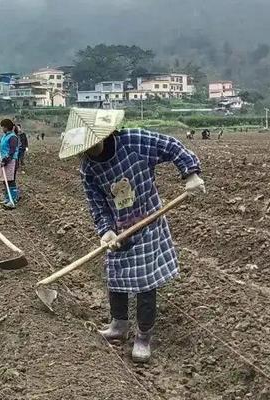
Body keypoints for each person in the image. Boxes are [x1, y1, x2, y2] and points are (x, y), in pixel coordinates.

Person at [58, 109, 205, 363]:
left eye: (91, 145)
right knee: (115, 275)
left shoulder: (133, 141)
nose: (88, 151)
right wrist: (106, 230)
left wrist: (190, 174)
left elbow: (171, 146)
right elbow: (96, 204)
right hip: (119, 227)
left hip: (148, 218)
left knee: (145, 282)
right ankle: (118, 326)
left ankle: (143, 337)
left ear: (103, 135)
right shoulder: (88, 168)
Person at [0, 119, 20, 208]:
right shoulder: (5, 136)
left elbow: (12, 151)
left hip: (11, 161)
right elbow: (3, 146)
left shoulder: (12, 137)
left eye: (3, 127)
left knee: (11, 180)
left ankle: (13, 199)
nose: (2, 129)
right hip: (4, 160)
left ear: (6, 127)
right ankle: (7, 198)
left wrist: (5, 160)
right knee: (5, 180)